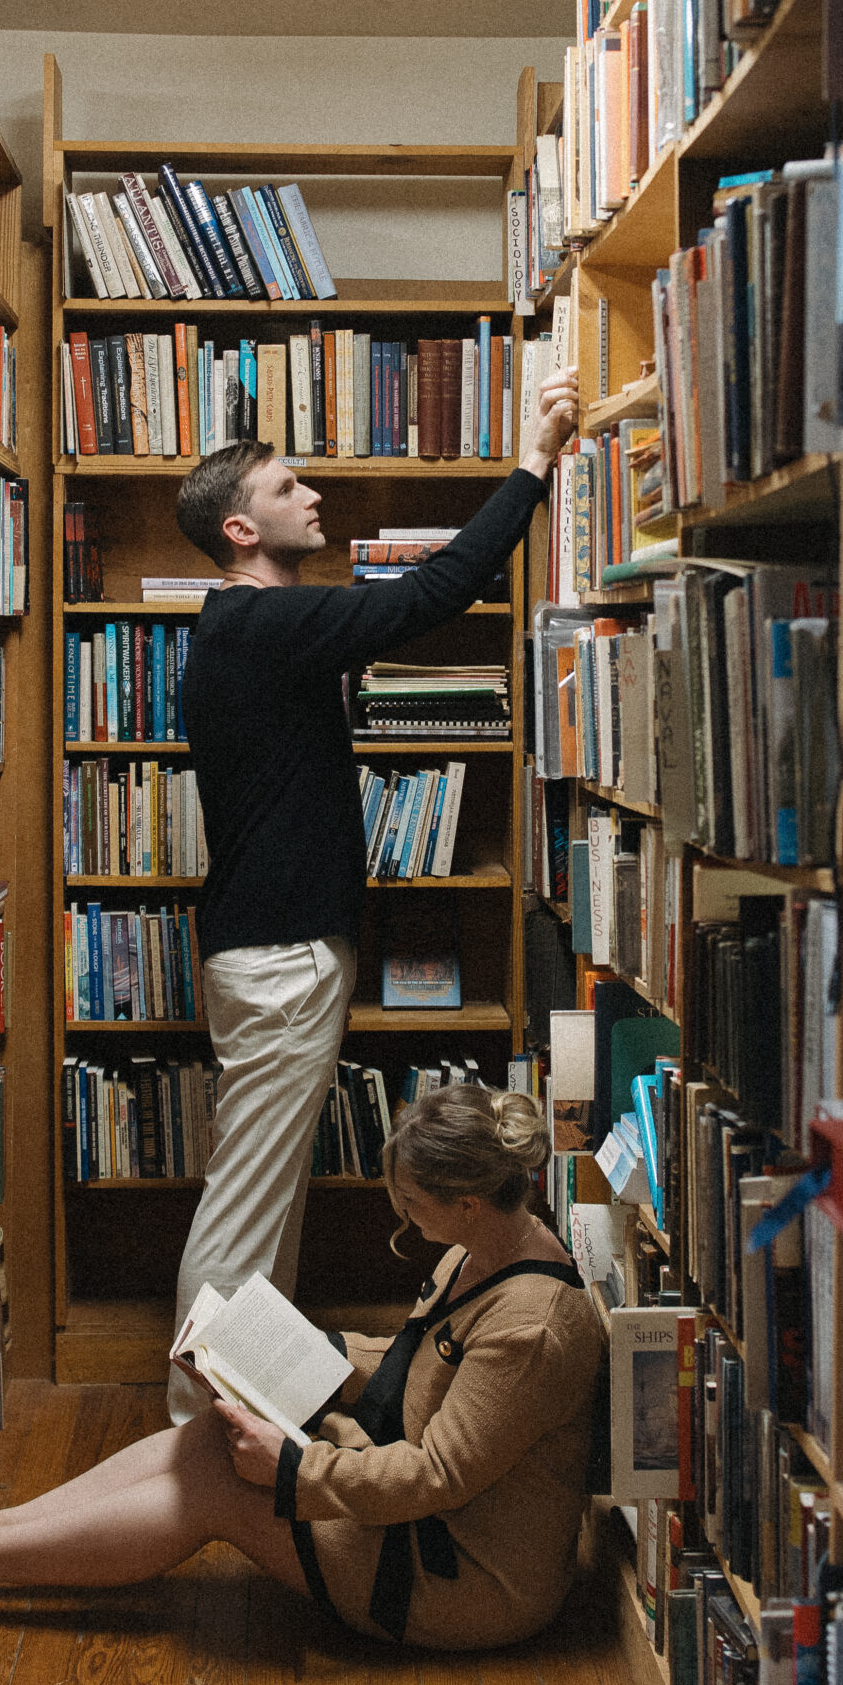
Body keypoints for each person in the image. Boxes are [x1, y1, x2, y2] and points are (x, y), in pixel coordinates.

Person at [163, 364, 578, 1423]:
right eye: (288, 485)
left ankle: (241, 1403)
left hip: (274, 949)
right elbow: (437, 593)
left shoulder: (249, 632)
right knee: (246, 1208)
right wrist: (533, 462)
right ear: (241, 530)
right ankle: (196, 1419)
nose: (314, 496)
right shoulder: (257, 624)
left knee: (265, 1199)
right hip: (283, 955)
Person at [0, 1083, 605, 1649]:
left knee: (217, 1489)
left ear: (471, 1202)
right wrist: (271, 1350)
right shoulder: (485, 1249)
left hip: (455, 1580)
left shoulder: (532, 1325)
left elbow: (436, 1478)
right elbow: (429, 1367)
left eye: (412, 1204)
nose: (403, 1220)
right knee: (212, 1438)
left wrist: (292, 1468)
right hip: (421, 1525)